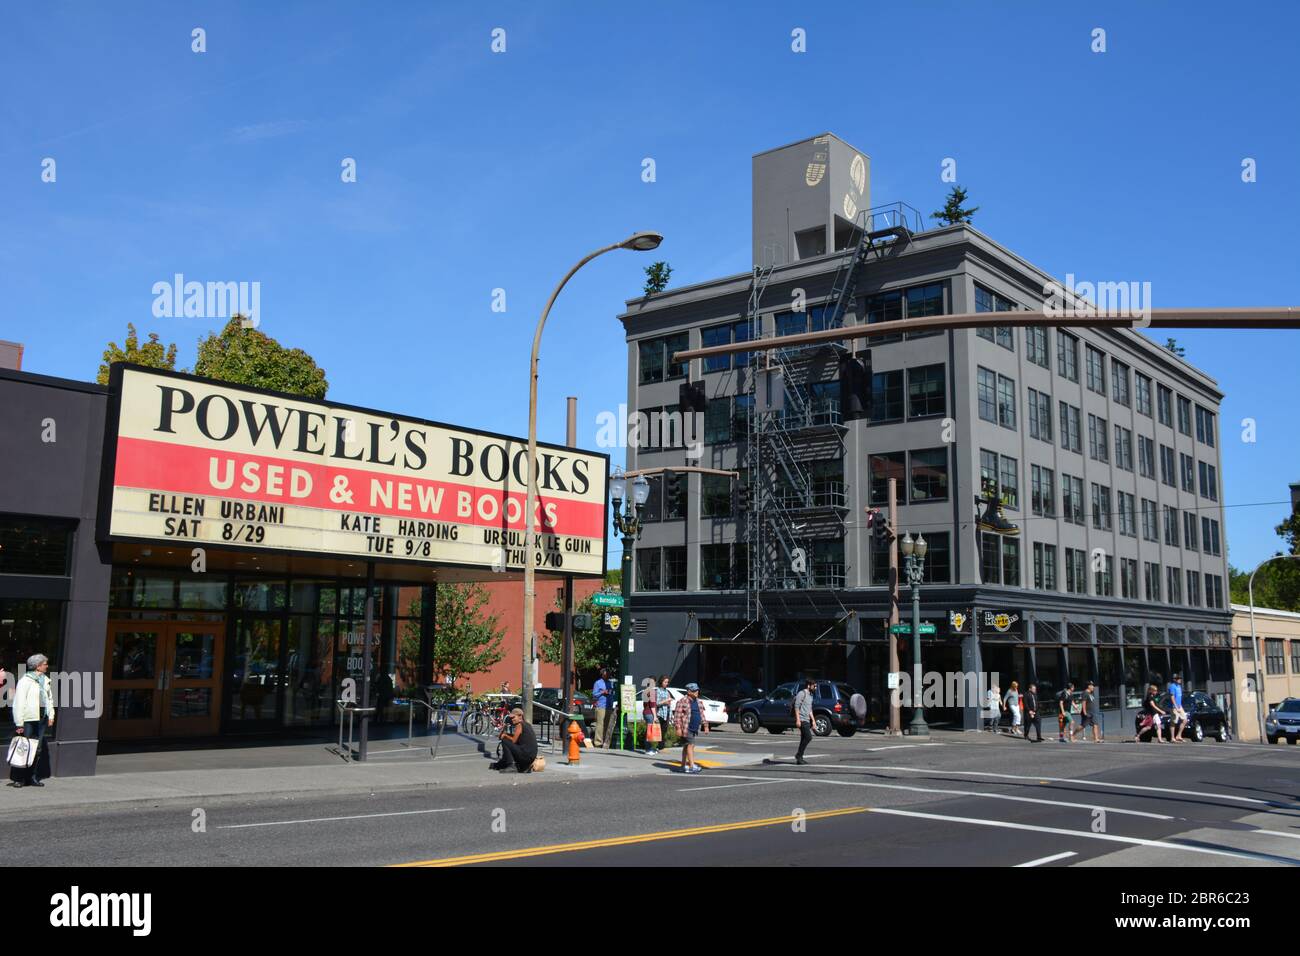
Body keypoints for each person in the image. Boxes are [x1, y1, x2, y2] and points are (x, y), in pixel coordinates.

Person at [9, 654, 55, 787]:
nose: (47, 665)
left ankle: (32, 777)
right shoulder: (25, 681)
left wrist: (50, 715)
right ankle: (19, 778)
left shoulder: (45, 680)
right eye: (45, 663)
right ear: (37, 666)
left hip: (41, 719)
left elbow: (49, 699)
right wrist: (19, 723)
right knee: (23, 748)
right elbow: (18, 703)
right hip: (28, 719)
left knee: (37, 749)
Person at [673, 683, 709, 773]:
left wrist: (705, 725)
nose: (696, 692)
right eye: (694, 691)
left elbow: (701, 714)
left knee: (686, 746)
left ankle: (682, 766)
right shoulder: (682, 701)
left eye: (697, 690)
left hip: (694, 728)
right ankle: (692, 766)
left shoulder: (698, 701)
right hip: (686, 727)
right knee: (690, 745)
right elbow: (677, 716)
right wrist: (678, 728)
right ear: (689, 692)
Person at [490, 707, 538, 773]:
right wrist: (504, 729)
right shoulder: (527, 725)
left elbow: (513, 740)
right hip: (530, 757)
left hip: (526, 755)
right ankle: (523, 767)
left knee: (505, 741)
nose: (512, 719)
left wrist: (505, 735)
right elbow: (517, 738)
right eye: (511, 718)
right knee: (508, 741)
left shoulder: (519, 725)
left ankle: (511, 765)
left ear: (520, 716)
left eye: (513, 717)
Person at [793, 677, 817, 764]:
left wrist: (813, 720)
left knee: (803, 738)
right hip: (802, 719)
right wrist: (798, 720)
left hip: (807, 719)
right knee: (808, 737)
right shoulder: (802, 693)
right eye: (814, 686)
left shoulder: (811, 695)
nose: (815, 688)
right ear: (808, 685)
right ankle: (799, 755)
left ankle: (799, 758)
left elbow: (810, 709)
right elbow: (796, 707)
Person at [592, 667, 615, 748]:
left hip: (608, 706)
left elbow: (612, 694)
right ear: (602, 674)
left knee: (607, 725)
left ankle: (605, 742)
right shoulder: (598, 683)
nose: (608, 675)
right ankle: (598, 743)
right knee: (600, 725)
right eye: (606, 674)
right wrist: (602, 692)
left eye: (609, 674)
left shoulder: (610, 683)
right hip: (601, 706)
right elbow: (594, 694)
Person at [1167, 673, 1188, 742]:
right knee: (1173, 722)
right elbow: (1172, 697)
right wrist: (1176, 706)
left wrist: (1180, 706)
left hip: (1179, 706)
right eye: (1178, 679)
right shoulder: (1172, 686)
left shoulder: (1179, 686)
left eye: (1180, 678)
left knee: (1184, 720)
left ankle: (1178, 736)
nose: (1180, 680)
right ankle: (1172, 738)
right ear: (1175, 679)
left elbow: (1179, 697)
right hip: (1174, 706)